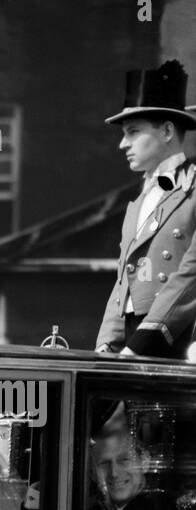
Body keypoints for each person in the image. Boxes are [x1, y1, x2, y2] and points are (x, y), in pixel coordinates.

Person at [96, 60, 196, 359]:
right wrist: (106, 346)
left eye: (133, 132)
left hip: (174, 336)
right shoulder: (137, 204)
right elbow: (124, 282)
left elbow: (191, 273)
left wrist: (142, 343)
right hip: (132, 338)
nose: (122, 144)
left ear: (166, 131)